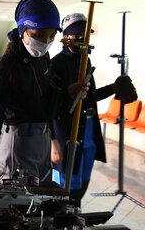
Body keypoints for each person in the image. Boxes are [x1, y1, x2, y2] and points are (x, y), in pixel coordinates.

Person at [0, 0, 89, 211]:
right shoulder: (4, 69)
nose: (45, 42)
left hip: (41, 141)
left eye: (51, 36)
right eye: (38, 35)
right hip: (19, 144)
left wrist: (66, 93)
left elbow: (43, 95)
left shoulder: (42, 59)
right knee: (16, 207)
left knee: (40, 207)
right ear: (23, 30)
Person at [49, 13, 137, 207]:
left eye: (84, 33)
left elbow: (90, 97)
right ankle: (64, 218)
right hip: (66, 134)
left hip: (88, 130)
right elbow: (49, 104)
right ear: (66, 36)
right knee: (65, 187)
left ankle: (74, 216)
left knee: (82, 183)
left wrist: (113, 88)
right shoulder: (56, 63)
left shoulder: (85, 61)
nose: (81, 37)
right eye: (76, 34)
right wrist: (53, 141)